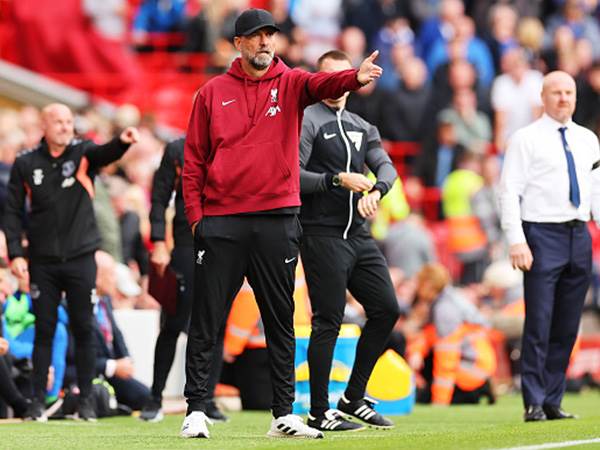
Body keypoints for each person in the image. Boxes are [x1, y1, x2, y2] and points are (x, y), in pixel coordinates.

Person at [181, 8, 382, 439]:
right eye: (255, 37)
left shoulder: (291, 83)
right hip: (223, 221)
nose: (264, 43)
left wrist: (353, 78)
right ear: (238, 44)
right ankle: (196, 409)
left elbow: (321, 83)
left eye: (270, 36)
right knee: (208, 317)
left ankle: (283, 414)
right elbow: (193, 161)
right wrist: (198, 219)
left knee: (281, 318)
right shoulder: (212, 93)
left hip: (277, 218)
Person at [4, 103, 139, 422]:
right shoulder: (26, 163)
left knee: (84, 328)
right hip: (43, 261)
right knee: (44, 330)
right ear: (44, 124)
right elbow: (11, 211)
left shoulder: (82, 153)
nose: (65, 127)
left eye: (68, 122)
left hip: (81, 258)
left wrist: (122, 141)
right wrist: (15, 254)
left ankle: (87, 402)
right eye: (59, 122)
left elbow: (106, 153)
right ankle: (37, 402)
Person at [297, 50, 400, 432]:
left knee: (387, 309)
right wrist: (337, 179)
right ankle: (318, 412)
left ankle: (352, 398)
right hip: (322, 233)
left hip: (358, 234)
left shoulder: (361, 124)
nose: (339, 84)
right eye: (331, 77)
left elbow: (384, 164)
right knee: (329, 321)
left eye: (346, 77)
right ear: (318, 80)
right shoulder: (307, 119)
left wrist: (378, 189)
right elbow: (293, 174)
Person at [498, 71, 600, 421]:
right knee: (539, 321)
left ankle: (553, 398)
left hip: (578, 234)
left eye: (569, 92)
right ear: (542, 97)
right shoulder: (525, 139)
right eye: (556, 92)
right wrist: (516, 239)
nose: (563, 98)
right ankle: (534, 400)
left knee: (567, 323)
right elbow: (509, 190)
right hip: (542, 232)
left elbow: (595, 188)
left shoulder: (588, 139)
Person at [140, 137, 227, 423]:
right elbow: (159, 197)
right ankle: (155, 397)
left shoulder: (231, 143)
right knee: (174, 322)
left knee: (217, 324)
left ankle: (207, 398)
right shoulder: (177, 149)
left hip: (224, 241)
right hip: (186, 240)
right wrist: (158, 242)